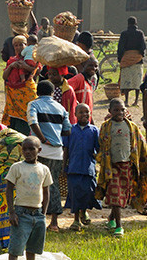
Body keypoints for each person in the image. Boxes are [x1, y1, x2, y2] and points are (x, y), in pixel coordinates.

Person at [96, 98, 147, 237]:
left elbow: (141, 144)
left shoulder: (132, 126)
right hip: (111, 166)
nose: (120, 112)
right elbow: (101, 144)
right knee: (116, 195)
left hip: (127, 166)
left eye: (122, 109)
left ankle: (111, 218)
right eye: (116, 110)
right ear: (110, 111)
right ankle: (119, 226)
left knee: (122, 196)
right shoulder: (106, 127)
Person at [5, 136, 51, 260]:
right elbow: (9, 189)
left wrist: (43, 213)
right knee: (16, 246)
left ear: (39, 150)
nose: (28, 152)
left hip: (37, 213)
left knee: (33, 246)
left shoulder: (44, 169)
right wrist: (12, 212)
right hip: (21, 213)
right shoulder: (16, 167)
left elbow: (46, 192)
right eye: (24, 149)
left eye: (32, 149)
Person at [27, 80, 72, 232]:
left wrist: (43, 139)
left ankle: (36, 218)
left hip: (40, 150)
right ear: (53, 93)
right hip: (57, 153)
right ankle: (54, 223)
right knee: (53, 185)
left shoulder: (33, 104)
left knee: (36, 184)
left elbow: (33, 123)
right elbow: (67, 130)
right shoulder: (61, 108)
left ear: (37, 92)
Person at [63, 104, 100, 231]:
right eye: (81, 112)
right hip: (73, 167)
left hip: (88, 168)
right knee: (74, 194)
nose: (84, 114)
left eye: (87, 112)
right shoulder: (70, 130)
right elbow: (66, 149)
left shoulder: (94, 130)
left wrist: (98, 162)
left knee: (87, 192)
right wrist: (64, 166)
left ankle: (84, 212)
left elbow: (98, 149)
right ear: (75, 114)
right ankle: (76, 220)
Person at [2, 35, 38, 135]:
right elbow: (4, 76)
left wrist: (25, 66)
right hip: (13, 95)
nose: (19, 47)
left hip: (27, 92)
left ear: (26, 45)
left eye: (21, 45)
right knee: (14, 120)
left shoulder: (31, 58)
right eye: (16, 45)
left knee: (29, 115)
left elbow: (37, 71)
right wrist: (11, 66)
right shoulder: (12, 60)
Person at [118, 16, 146, 106]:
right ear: (136, 23)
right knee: (137, 81)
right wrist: (140, 55)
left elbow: (120, 47)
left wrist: (121, 58)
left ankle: (126, 101)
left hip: (126, 59)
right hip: (138, 59)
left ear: (128, 24)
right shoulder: (140, 33)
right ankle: (136, 100)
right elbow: (143, 46)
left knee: (126, 81)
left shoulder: (124, 34)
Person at [68, 58, 97, 123]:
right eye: (90, 65)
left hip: (85, 122)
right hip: (77, 122)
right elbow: (66, 87)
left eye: (96, 66)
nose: (94, 68)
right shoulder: (79, 78)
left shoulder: (89, 83)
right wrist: (75, 102)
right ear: (84, 66)